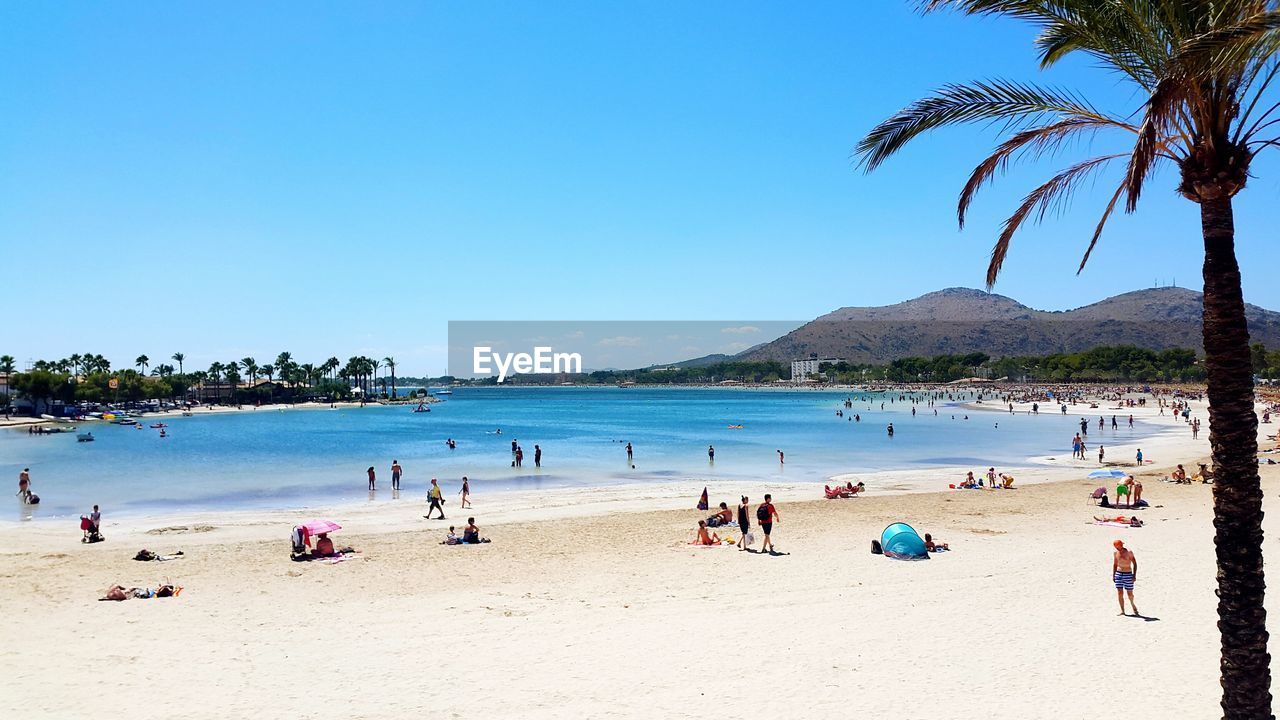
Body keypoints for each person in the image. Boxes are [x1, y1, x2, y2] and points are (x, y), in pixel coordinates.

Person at [1113, 539, 1140, 616]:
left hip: (1128, 574)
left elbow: (1135, 563)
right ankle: (1122, 611)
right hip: (1118, 574)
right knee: (1120, 593)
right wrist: (1114, 575)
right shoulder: (1115, 553)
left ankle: (1133, 604)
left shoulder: (1129, 552)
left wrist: (1134, 575)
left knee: (1130, 594)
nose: (1118, 548)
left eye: (1119, 547)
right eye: (1116, 547)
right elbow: (1115, 564)